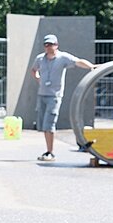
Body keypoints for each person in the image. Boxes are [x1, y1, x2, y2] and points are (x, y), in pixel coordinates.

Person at [30, 34, 96, 162]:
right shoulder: (40, 59)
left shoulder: (62, 57)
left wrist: (90, 66)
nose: (49, 47)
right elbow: (33, 70)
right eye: (46, 45)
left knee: (49, 123)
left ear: (57, 45)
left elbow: (78, 61)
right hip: (42, 94)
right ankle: (48, 150)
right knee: (44, 125)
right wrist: (38, 78)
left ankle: (50, 152)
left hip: (54, 96)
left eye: (51, 45)